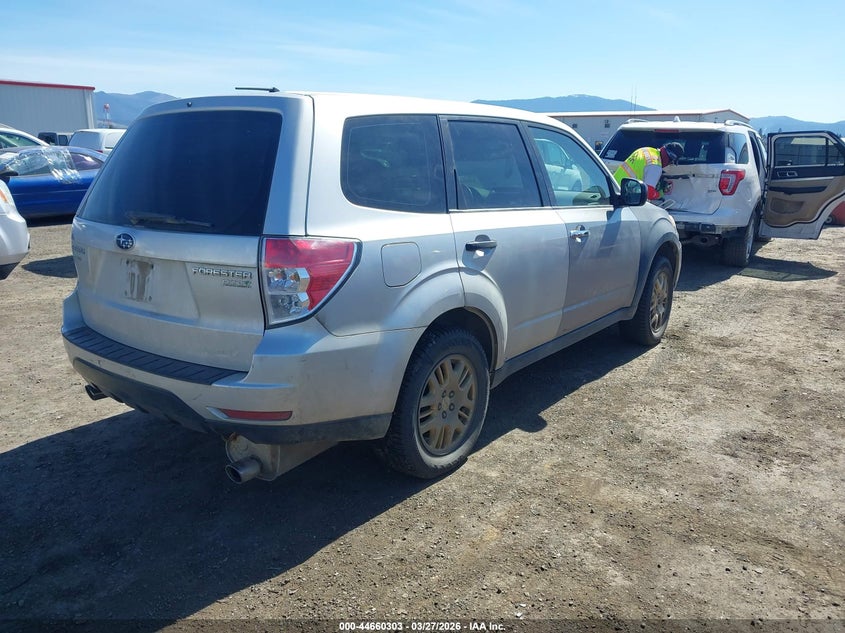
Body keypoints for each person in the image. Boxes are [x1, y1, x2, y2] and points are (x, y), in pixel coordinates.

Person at [613, 142, 684, 200]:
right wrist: (660, 193)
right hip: (622, 195)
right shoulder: (655, 167)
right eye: (671, 162)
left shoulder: (647, 150)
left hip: (613, 185)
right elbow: (649, 194)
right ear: (670, 157)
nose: (669, 164)